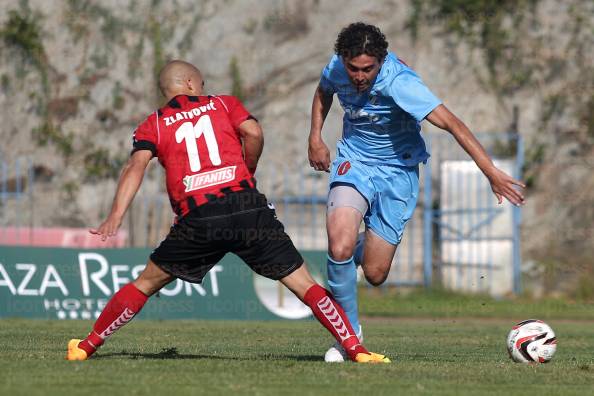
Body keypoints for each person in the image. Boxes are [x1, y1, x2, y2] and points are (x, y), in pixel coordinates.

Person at [66, 60, 389, 363]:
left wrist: (116, 216)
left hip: (200, 217)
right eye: (202, 84)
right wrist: (248, 168)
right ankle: (356, 349)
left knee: (145, 284)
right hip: (246, 206)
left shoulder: (155, 124)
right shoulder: (222, 104)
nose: (204, 89)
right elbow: (254, 133)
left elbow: (134, 167)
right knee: (304, 284)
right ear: (190, 83)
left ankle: (86, 346)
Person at [307, 22, 526, 362]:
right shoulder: (337, 67)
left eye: (368, 69)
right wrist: (315, 137)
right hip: (355, 163)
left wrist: (491, 171)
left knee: (376, 274)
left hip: (398, 173)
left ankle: (352, 250)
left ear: (381, 62)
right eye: (353, 68)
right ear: (343, 60)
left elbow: (452, 123)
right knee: (339, 243)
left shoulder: (401, 83)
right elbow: (323, 92)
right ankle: (349, 335)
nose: (359, 76)